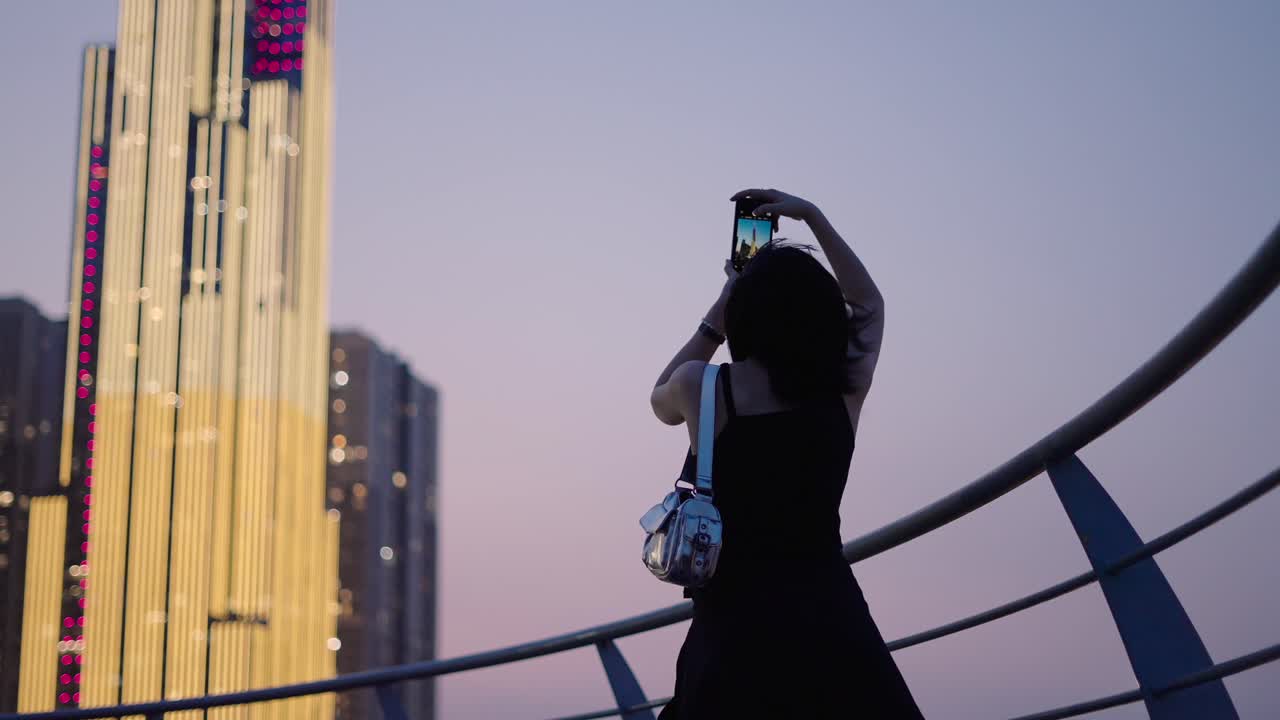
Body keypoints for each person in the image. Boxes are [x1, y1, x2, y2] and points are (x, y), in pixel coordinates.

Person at [649, 188, 924, 718]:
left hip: (733, 638)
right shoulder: (842, 388)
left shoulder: (705, 390)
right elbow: (869, 307)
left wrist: (718, 312)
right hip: (833, 625)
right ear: (822, 317)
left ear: (742, 315)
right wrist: (811, 216)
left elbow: (659, 399)